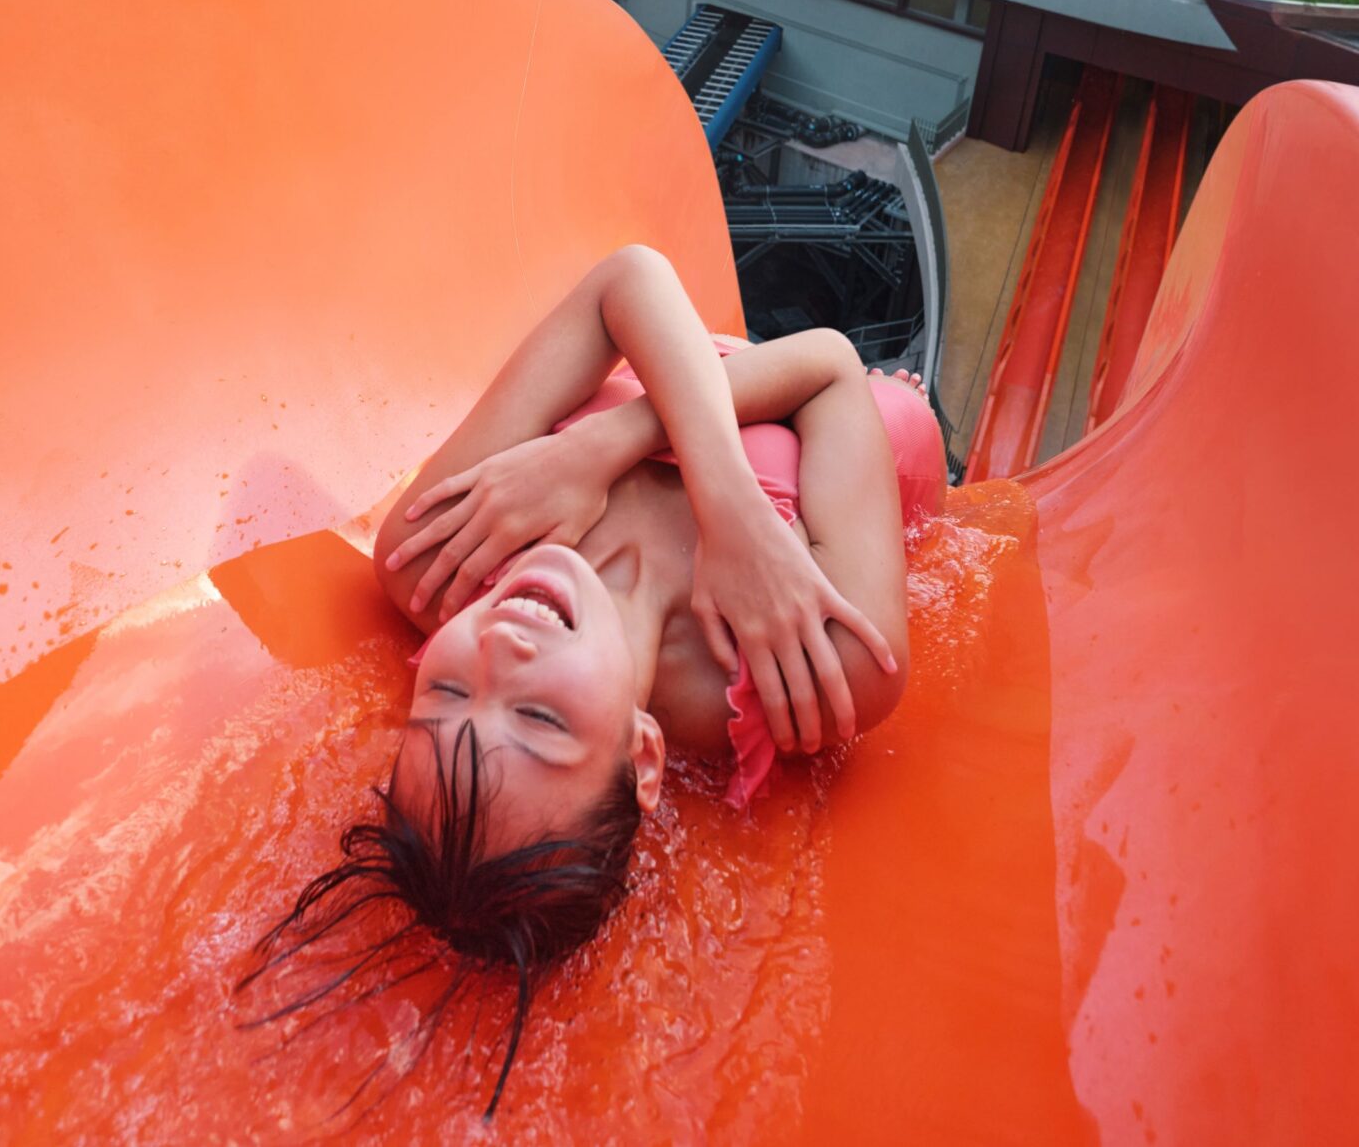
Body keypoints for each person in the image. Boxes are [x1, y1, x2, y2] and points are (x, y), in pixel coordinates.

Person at [240, 245, 946, 1112]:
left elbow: (629, 279)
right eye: (538, 715)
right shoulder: (815, 667)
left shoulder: (438, 561)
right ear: (642, 757)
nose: (498, 651)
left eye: (448, 695)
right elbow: (830, 366)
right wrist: (683, 469)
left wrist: (615, 453)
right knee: (902, 400)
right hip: (872, 419)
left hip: (696, 353)